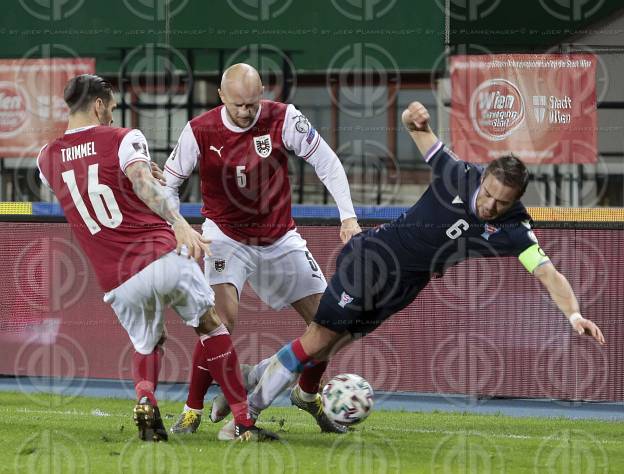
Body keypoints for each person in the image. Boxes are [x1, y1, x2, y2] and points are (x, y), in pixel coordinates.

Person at [234, 100, 607, 424]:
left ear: (517, 201)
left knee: (331, 345)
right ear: (484, 178)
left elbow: (548, 273)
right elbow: (419, 132)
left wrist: (574, 315)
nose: (490, 206)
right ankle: (245, 415)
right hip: (373, 258)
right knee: (319, 338)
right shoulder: (457, 174)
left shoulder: (514, 228)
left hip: (406, 285)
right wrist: (416, 120)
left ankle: (261, 376)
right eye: (489, 194)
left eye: (502, 202)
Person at [37, 74, 277, 442]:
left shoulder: (45, 158)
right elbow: (139, 181)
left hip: (116, 279)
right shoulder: (124, 138)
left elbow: (92, 181)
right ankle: (244, 423)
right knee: (211, 326)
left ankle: (146, 397)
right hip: (160, 255)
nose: (113, 116)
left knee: (147, 343)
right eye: (112, 109)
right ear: (99, 105)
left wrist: (136, 175)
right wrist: (179, 222)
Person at [163, 63, 362, 437]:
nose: (246, 112)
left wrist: (347, 217)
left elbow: (327, 161)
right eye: (238, 105)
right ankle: (191, 410)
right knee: (219, 319)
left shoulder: (283, 118)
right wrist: (177, 225)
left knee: (333, 324)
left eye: (252, 104)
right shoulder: (199, 131)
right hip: (226, 236)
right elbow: (168, 186)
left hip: (280, 237)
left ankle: (303, 393)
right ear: (221, 96)